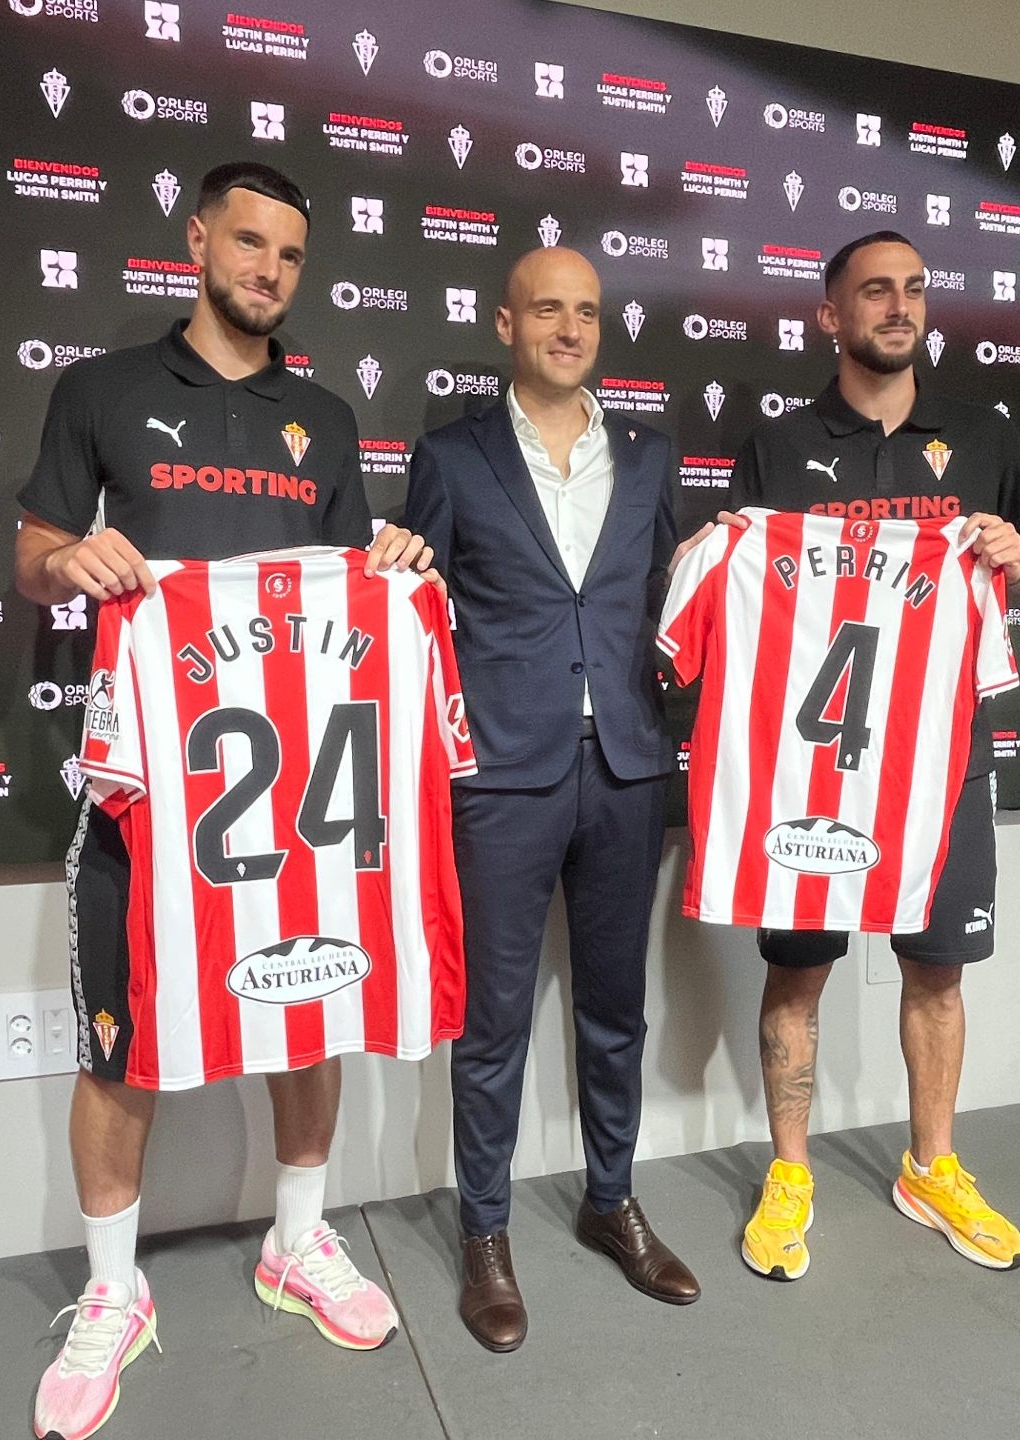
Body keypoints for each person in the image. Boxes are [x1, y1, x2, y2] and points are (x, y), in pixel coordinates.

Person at [13, 161, 436, 1440]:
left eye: (291, 256)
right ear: (197, 240)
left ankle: (298, 1245)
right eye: (249, 243)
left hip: (300, 782)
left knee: (313, 1005)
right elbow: (33, 555)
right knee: (119, 1033)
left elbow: (354, 574)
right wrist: (66, 560)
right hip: (150, 778)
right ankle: (111, 1291)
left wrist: (395, 559)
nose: (268, 270)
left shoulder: (329, 415)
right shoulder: (103, 390)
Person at [727, 230, 1020, 1279]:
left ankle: (931, 1166)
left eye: (914, 289)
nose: (898, 305)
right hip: (814, 765)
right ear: (831, 315)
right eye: (875, 291)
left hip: (946, 755)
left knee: (939, 969)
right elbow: (744, 594)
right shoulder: (778, 443)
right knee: (799, 971)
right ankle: (791, 1175)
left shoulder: (984, 432)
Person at [403, 247, 701, 1353]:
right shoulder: (450, 457)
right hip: (500, 776)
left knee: (614, 1009)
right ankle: (485, 1232)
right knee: (492, 1023)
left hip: (627, 768)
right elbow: (412, 612)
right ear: (504, 323)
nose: (568, 328)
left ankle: (609, 1201)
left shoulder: (655, 457)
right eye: (547, 309)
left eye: (585, 311)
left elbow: (682, 605)